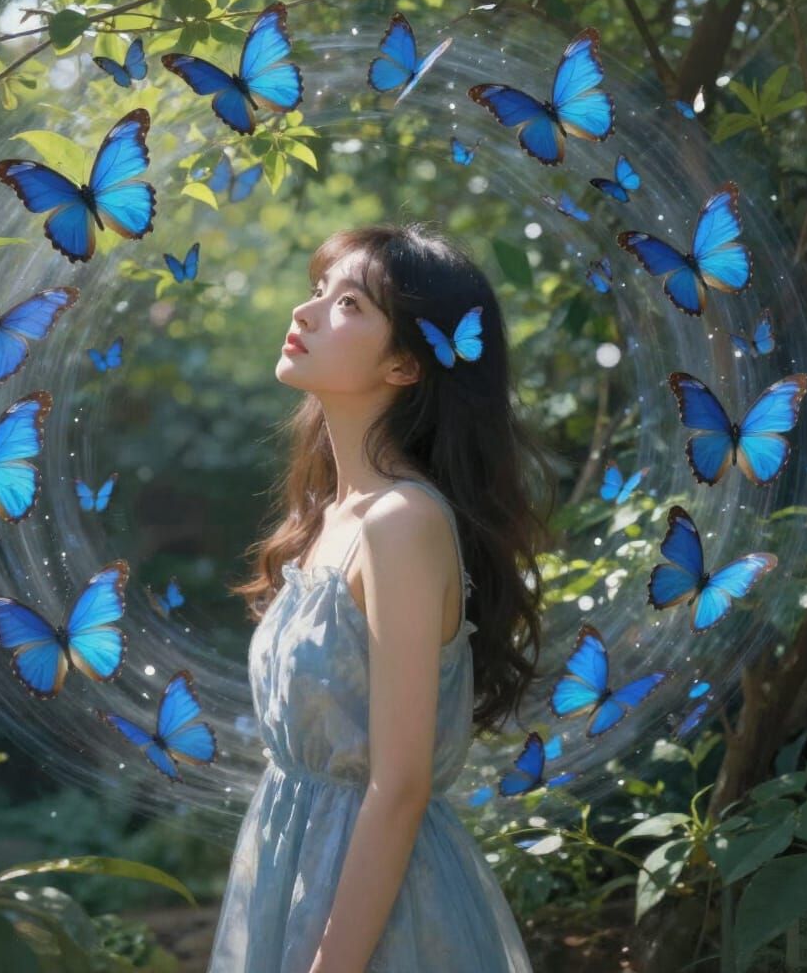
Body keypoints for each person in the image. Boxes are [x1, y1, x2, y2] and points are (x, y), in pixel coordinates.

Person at [208, 222, 557, 972]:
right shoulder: (332, 518)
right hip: (297, 878)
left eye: (350, 305)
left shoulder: (403, 522)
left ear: (404, 363)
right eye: (316, 292)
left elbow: (400, 787)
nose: (306, 312)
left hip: (378, 921)